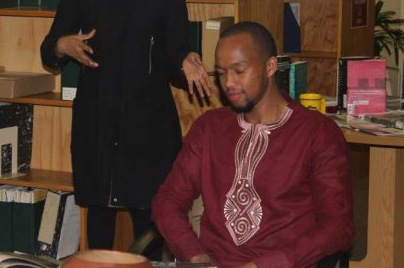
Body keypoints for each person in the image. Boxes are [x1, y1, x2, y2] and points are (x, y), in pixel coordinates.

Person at [40, 0, 212, 249]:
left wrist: (186, 60)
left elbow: (176, 54)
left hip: (148, 125)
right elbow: (49, 48)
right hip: (97, 119)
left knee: (150, 218)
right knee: (99, 217)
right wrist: (63, 45)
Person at [151, 22, 354, 268]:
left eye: (239, 71)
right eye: (221, 73)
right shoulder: (209, 128)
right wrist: (195, 256)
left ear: (270, 66)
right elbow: (168, 201)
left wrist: (266, 265)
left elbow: (337, 227)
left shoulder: (317, 134)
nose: (228, 83)